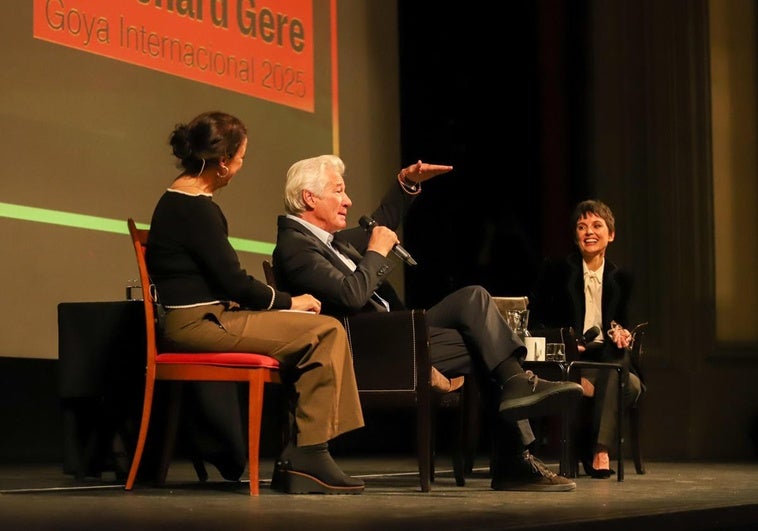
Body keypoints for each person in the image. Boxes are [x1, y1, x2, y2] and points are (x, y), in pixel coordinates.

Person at [271, 154, 584, 492]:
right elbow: (350, 296)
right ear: (309, 197)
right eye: (339, 191)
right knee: (484, 339)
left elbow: (381, 224)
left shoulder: (332, 242)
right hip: (369, 350)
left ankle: (514, 389)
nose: (348, 200)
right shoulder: (295, 247)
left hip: (395, 337)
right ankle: (513, 451)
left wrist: (407, 184)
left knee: (474, 302)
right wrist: (376, 253)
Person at [145, 111, 366, 495]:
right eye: (242, 158)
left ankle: (302, 454)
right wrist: (290, 301)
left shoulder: (182, 201)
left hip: (209, 317)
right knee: (325, 330)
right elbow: (235, 282)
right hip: (200, 324)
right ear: (224, 162)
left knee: (319, 333)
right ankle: (310, 453)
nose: (242, 166)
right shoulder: (195, 208)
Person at [529, 199, 645, 478]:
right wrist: (569, 344)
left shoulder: (623, 279)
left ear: (611, 234)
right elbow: (538, 322)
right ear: (575, 236)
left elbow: (634, 325)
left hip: (611, 361)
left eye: (596, 225)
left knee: (619, 360)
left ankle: (598, 448)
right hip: (573, 363)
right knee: (622, 384)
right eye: (582, 227)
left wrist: (623, 334)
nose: (589, 232)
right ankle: (598, 452)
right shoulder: (557, 273)